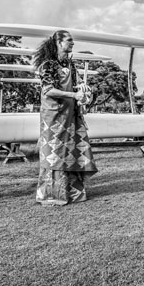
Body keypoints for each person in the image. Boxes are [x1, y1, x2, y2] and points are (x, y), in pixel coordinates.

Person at [34, 30, 97, 205]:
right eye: (69, 40)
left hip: (71, 115)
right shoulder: (47, 65)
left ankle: (73, 193)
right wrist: (74, 95)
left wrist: (83, 88)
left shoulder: (70, 64)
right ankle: (51, 195)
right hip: (53, 116)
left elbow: (76, 84)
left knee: (72, 150)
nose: (72, 43)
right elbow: (48, 90)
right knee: (53, 153)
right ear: (58, 42)